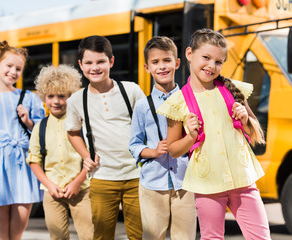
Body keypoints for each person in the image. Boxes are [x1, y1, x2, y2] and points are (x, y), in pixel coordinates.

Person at [157, 28, 271, 240]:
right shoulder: (177, 103)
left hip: (243, 181)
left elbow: (256, 132)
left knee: (261, 237)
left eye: (218, 62)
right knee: (212, 237)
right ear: (190, 54)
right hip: (207, 184)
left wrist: (246, 120)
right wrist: (190, 137)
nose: (211, 66)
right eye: (206, 58)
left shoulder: (233, 90)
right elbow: (172, 150)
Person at [66, 35, 145, 240]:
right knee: (102, 235)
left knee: (139, 234)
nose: (95, 67)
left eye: (101, 61)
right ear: (81, 65)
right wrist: (85, 155)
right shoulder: (76, 100)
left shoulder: (131, 90)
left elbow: (148, 125)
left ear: (111, 61)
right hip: (102, 177)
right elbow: (73, 132)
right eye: (89, 63)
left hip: (136, 175)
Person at [0, 40, 45, 240]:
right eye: (9, 66)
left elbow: (44, 134)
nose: (13, 71)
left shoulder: (30, 98)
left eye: (18, 68)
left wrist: (28, 121)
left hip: (24, 165)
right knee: (1, 226)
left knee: (19, 225)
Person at [129, 36, 196, 240]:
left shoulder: (190, 98)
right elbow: (134, 145)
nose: (162, 66)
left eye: (167, 60)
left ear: (176, 63)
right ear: (147, 68)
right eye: (155, 62)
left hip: (185, 181)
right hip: (152, 183)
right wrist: (153, 151)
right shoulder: (142, 106)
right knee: (153, 236)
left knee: (184, 236)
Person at [26, 64, 94, 240]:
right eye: (50, 96)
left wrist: (77, 183)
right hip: (53, 193)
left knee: (90, 235)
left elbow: (93, 157)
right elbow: (34, 160)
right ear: (43, 96)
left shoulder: (82, 123)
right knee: (57, 236)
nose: (55, 101)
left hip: (82, 191)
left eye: (61, 96)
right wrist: (49, 186)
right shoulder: (40, 127)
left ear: (71, 97)